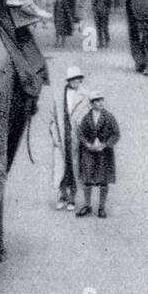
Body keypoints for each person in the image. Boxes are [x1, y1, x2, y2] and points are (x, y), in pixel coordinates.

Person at [50, 65, 91, 211]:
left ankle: (73, 197)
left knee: (75, 168)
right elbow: (53, 118)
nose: (76, 81)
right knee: (62, 168)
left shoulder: (86, 96)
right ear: (68, 80)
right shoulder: (59, 95)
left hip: (77, 138)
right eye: (73, 79)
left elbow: (89, 119)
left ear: (81, 80)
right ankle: (62, 195)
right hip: (62, 137)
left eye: (78, 79)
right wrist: (55, 137)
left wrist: (85, 138)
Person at [76, 90, 120, 218]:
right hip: (89, 152)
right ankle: (87, 205)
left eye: (102, 100)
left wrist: (105, 144)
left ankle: (101, 207)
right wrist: (87, 144)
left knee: (103, 180)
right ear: (91, 103)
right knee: (87, 179)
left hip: (104, 153)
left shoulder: (109, 117)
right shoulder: (86, 117)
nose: (100, 103)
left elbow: (116, 134)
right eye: (97, 101)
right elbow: (80, 133)